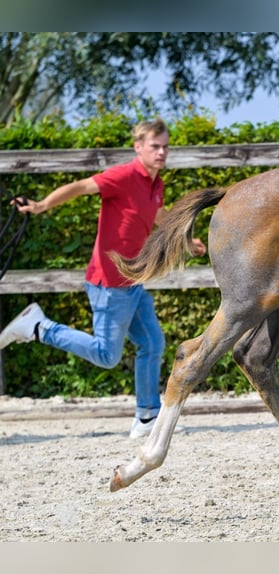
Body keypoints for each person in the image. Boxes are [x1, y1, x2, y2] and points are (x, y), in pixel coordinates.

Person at [0, 118, 206, 438]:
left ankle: (147, 416)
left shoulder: (156, 183)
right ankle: (39, 327)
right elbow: (82, 186)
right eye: (155, 146)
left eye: (165, 146)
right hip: (109, 282)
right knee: (106, 355)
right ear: (139, 147)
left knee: (152, 342)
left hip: (134, 280)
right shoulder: (123, 176)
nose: (162, 152)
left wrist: (184, 240)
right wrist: (41, 205)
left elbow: (157, 215)